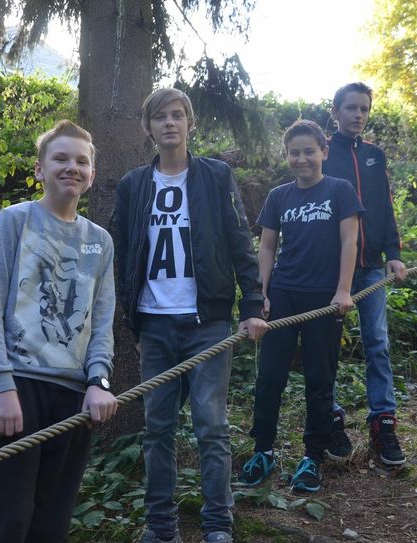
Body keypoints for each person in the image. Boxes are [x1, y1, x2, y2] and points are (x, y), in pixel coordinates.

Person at [115, 88, 267, 543]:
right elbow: (125, 254)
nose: (169, 123)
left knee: (211, 426)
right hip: (155, 324)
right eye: (160, 116)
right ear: (148, 127)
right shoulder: (133, 185)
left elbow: (241, 242)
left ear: (190, 123)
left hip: (209, 324)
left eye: (178, 115)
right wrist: (133, 322)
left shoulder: (216, 176)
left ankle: (218, 525)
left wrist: (253, 306)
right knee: (157, 429)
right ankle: (161, 527)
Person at [0, 120, 120, 543]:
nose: (71, 167)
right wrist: (0, 383)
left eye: (81, 161)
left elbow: (101, 321)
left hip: (73, 395)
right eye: (61, 158)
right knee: (8, 520)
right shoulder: (14, 222)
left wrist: (99, 381)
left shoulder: (100, 241)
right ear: (39, 169)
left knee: (51, 525)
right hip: (17, 388)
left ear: (91, 174)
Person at [239, 119, 363, 492]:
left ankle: (313, 456)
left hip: (325, 299)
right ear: (287, 155)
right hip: (285, 296)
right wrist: (262, 292)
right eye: (295, 152)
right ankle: (263, 450)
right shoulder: (279, 196)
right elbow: (266, 247)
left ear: (324, 151)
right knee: (270, 378)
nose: (302, 159)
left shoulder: (340, 191)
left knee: (319, 379)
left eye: (309, 151)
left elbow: (349, 243)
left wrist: (343, 290)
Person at [323, 82, 408, 467]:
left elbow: (384, 206)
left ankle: (383, 423)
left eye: (364, 109)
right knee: (326, 348)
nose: (358, 115)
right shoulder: (323, 152)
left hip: (371, 267)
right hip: (330, 270)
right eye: (351, 108)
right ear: (336, 111)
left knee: (377, 342)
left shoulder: (374, 155)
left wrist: (394, 254)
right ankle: (330, 416)